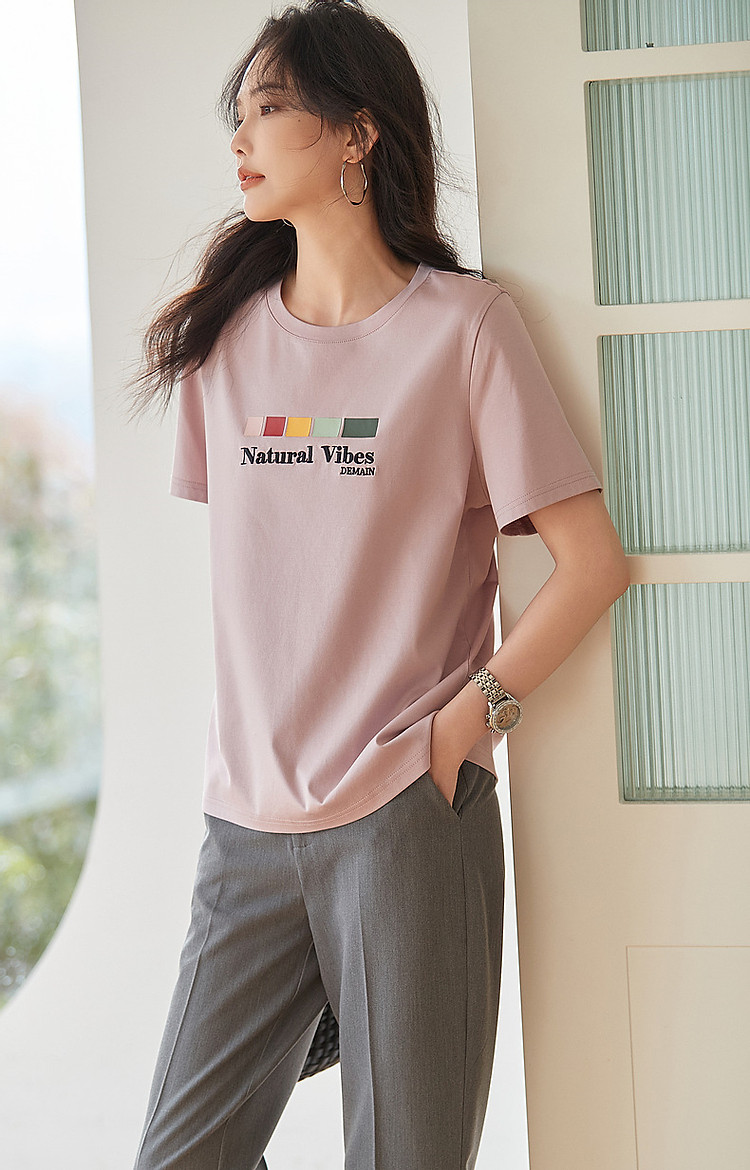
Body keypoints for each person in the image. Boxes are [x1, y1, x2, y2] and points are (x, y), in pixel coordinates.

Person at [125, 1, 629, 1166]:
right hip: (245, 823)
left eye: (270, 108)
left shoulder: (465, 330)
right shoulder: (224, 344)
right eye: (238, 113)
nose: (241, 137)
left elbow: (592, 563)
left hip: (406, 817)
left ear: (358, 133)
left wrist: (465, 725)